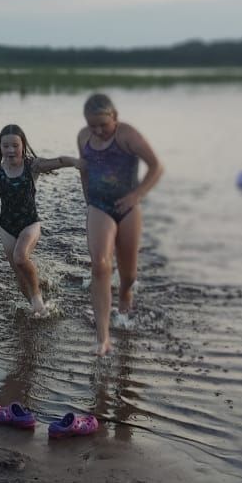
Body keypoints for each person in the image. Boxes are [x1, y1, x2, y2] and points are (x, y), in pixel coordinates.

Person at [78, 93, 163, 356]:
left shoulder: (128, 136)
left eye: (103, 124)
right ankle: (102, 337)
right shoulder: (84, 137)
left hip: (127, 208)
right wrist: (88, 200)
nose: (98, 130)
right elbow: (85, 168)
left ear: (114, 117)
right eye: (93, 125)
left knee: (129, 276)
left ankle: (125, 295)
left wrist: (136, 196)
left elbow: (156, 167)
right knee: (101, 265)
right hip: (99, 206)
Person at [0, 124, 81, 317]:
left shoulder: (32, 166)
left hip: (30, 223)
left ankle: (38, 299)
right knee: (19, 272)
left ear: (23, 146)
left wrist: (79, 162)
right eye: (6, 146)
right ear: (0, 147)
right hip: (7, 227)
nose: (10, 150)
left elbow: (59, 161)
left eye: (15, 145)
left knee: (20, 257)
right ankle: (35, 307)